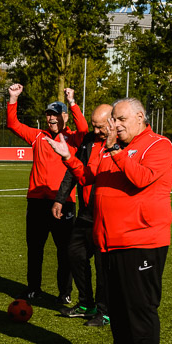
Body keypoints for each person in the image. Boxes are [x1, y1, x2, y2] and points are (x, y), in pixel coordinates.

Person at [48, 98, 172, 344]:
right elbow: (87, 176)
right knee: (116, 308)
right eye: (113, 120)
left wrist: (115, 149)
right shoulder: (107, 149)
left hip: (142, 241)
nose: (114, 125)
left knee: (140, 308)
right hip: (108, 241)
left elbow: (141, 178)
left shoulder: (158, 146)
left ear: (140, 117)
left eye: (120, 119)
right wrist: (68, 155)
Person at [6, 84, 88, 306]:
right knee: (34, 249)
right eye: (48, 115)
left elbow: (84, 128)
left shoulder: (73, 138)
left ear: (64, 117)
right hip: (36, 202)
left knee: (65, 252)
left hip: (63, 203)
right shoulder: (37, 136)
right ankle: (33, 289)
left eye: (55, 115)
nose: (51, 119)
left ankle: (65, 293)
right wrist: (13, 98)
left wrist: (72, 103)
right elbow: (12, 124)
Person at [53, 104, 113, 327]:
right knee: (74, 253)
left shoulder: (119, 143)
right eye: (94, 126)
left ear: (112, 121)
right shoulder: (88, 140)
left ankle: (105, 311)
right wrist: (61, 198)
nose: (96, 131)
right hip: (87, 212)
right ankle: (87, 303)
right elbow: (74, 170)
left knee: (102, 264)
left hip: (107, 214)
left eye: (100, 127)